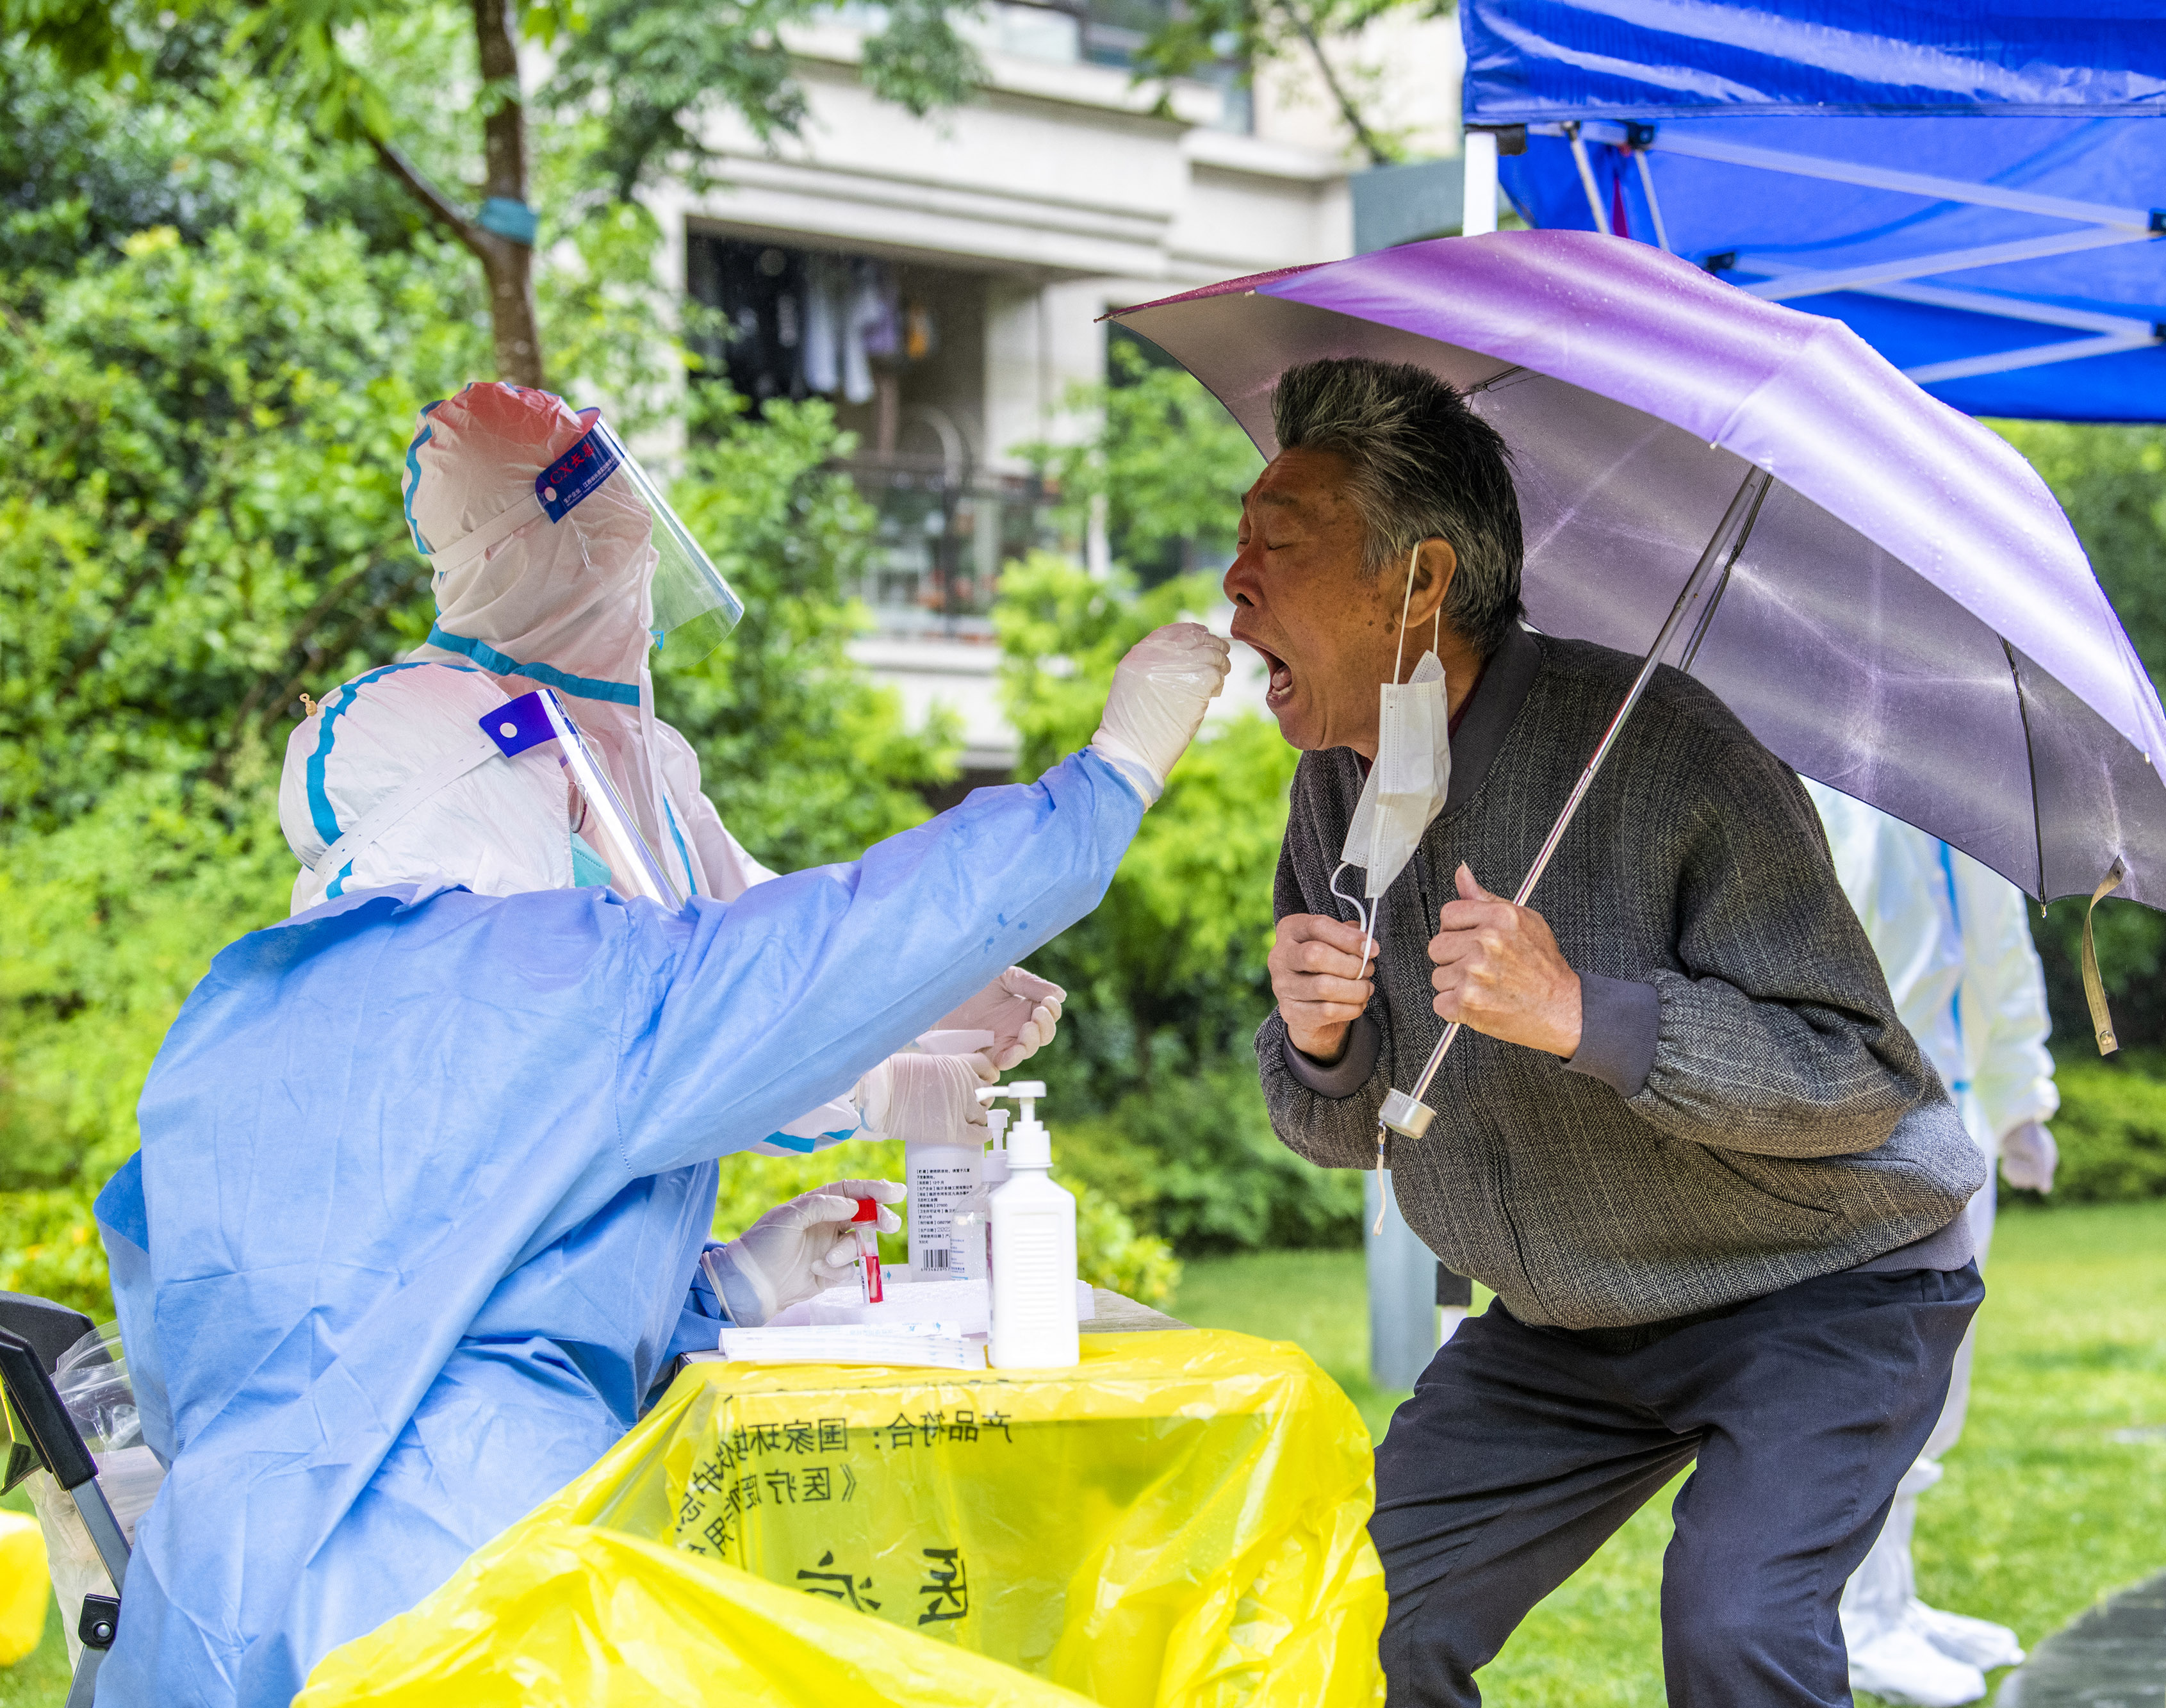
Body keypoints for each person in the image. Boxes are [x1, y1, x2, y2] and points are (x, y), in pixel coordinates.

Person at [90, 623, 1229, 1696]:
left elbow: (336, 1327)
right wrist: (1105, 782)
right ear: (491, 790)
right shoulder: (554, 971)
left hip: (206, 1619)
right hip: (465, 1608)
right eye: (555, 790)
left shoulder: (222, 1023)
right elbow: (832, 947)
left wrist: (729, 1287)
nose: (579, 821)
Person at [1231, 357, 1985, 1708]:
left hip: (1820, 1286)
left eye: (1275, 549)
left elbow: (1854, 1075)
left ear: (1418, 583)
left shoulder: (1665, 748)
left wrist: (1583, 1014)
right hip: (1569, 1313)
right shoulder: (1331, 782)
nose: (1233, 587)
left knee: (1736, 1627)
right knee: (1340, 1603)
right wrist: (1322, 1039)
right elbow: (1343, 1131)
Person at [400, 381, 1066, 1092]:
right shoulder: (445, 752)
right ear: (522, 562)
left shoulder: (641, 754)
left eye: (635, 528)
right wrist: (878, 1091)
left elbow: (749, 931)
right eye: (608, 537)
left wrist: (926, 985)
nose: (645, 563)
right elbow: (609, 1047)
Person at [1810, 785, 2060, 1708]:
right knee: (1872, 1384)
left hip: (1961, 1122)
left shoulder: (1965, 811)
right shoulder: (1824, 796)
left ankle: (1895, 1603)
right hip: (1865, 1128)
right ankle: (1859, 1620)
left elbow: (1999, 957)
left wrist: (2024, 1098)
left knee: (1933, 1390)